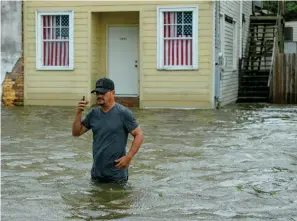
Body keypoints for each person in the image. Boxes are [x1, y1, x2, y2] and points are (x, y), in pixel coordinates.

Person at [72, 77, 144, 183]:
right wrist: (79, 112)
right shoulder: (93, 114)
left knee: (119, 200)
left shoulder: (123, 113)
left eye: (103, 93)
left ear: (113, 93)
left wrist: (128, 157)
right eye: (97, 93)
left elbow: (139, 134)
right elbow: (76, 133)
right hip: (97, 173)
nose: (99, 96)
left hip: (117, 175)